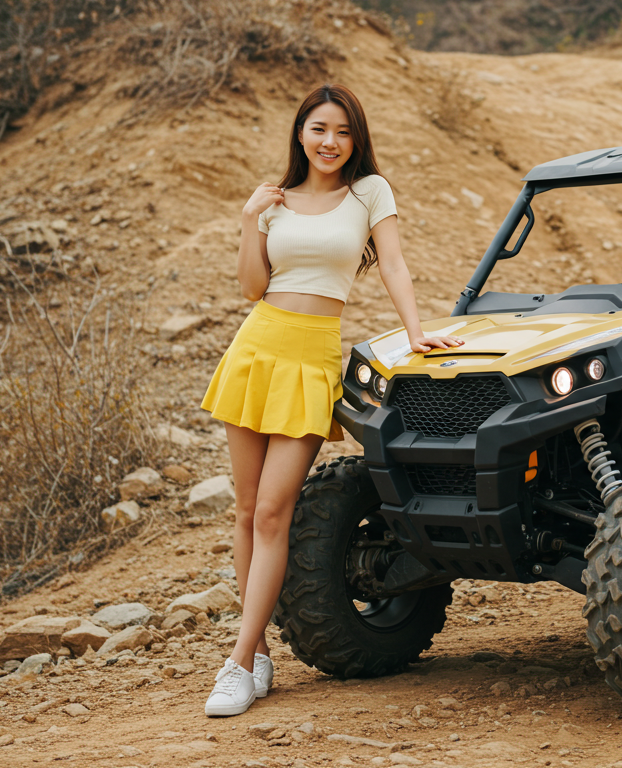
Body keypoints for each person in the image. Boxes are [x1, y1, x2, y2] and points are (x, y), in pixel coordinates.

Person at [199, 83, 463, 717]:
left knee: (273, 512)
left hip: (313, 355)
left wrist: (417, 331)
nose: (330, 142)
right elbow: (252, 287)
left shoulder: (370, 192)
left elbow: (393, 264)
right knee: (245, 511)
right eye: (319, 129)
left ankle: (236, 662)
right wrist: (248, 220)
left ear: (356, 139)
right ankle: (256, 654)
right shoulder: (275, 201)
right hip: (256, 349)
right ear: (300, 133)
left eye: (343, 132)